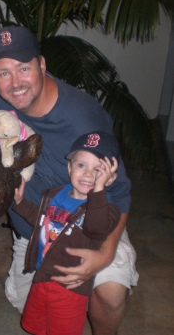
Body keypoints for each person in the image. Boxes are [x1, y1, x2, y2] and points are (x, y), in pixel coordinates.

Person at [0, 26, 138, 334]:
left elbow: (120, 192)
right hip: (35, 230)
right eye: (3, 72)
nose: (15, 82)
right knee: (34, 311)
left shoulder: (83, 118)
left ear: (43, 65)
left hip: (89, 224)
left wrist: (103, 254)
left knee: (110, 293)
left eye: (24, 68)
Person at [14, 131, 121, 335]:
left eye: (99, 170)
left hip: (69, 288)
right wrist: (20, 204)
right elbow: (42, 221)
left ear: (110, 178)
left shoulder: (107, 211)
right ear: (70, 167)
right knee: (37, 326)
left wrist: (98, 191)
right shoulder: (54, 195)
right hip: (42, 276)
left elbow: (96, 230)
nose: (89, 174)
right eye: (81, 165)